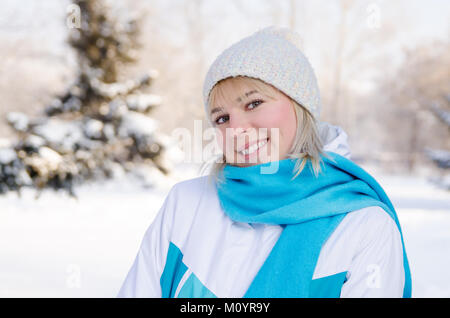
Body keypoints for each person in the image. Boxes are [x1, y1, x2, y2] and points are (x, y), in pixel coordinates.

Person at [117, 26, 411, 298]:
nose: (236, 129)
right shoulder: (187, 204)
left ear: (300, 105)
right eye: (222, 118)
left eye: (253, 103)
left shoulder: (363, 225)